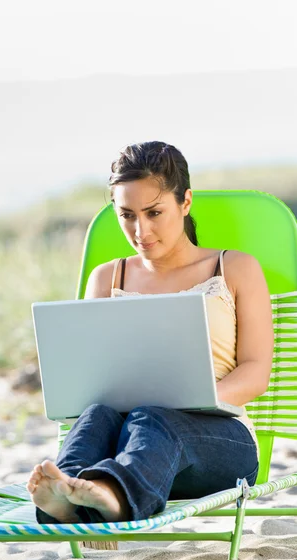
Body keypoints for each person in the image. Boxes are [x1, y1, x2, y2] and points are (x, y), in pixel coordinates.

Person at [27, 141, 274, 525]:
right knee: (97, 416)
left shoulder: (235, 268)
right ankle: (69, 490)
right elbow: (95, 377)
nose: (140, 230)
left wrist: (188, 399)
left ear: (185, 202)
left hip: (219, 441)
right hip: (130, 440)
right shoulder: (107, 278)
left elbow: (256, 373)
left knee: (153, 416)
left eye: (154, 212)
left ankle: (110, 494)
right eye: (126, 215)